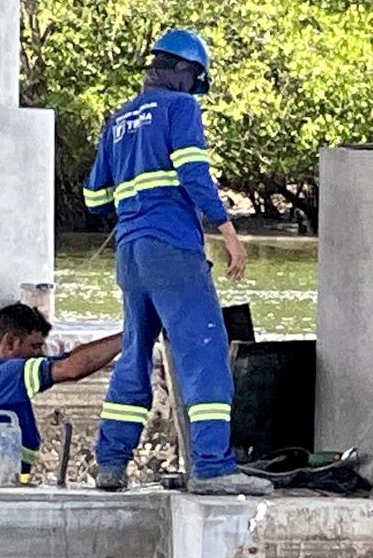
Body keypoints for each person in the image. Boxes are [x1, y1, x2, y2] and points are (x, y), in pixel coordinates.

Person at [82, 28, 272, 496]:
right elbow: (193, 172)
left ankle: (111, 464)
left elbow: (93, 198)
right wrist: (228, 232)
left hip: (130, 254)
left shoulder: (118, 119)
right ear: (185, 72)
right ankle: (212, 466)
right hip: (172, 249)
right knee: (204, 351)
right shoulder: (181, 108)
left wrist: (135, 192)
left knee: (135, 354)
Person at [0, 303, 122, 482]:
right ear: (10, 342)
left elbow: (69, 359)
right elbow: (70, 369)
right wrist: (129, 338)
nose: (39, 354)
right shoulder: (8, 374)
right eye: (34, 346)